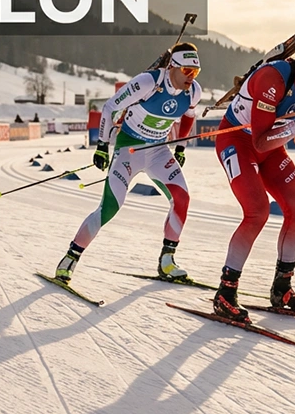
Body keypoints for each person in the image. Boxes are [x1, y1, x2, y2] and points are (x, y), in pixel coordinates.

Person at [209, 32, 295, 323]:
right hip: (238, 141)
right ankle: (225, 292)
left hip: (272, 147)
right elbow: (258, 142)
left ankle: (282, 289)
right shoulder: (273, 78)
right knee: (256, 212)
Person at [52, 43, 203, 286]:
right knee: (110, 207)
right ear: (172, 67)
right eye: (187, 70)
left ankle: (167, 261)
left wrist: (181, 148)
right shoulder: (148, 82)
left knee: (182, 199)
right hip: (129, 148)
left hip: (158, 150)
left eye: (196, 72)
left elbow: (188, 116)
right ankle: (70, 258)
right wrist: (102, 145)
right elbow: (111, 106)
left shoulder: (193, 91)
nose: (191, 77)